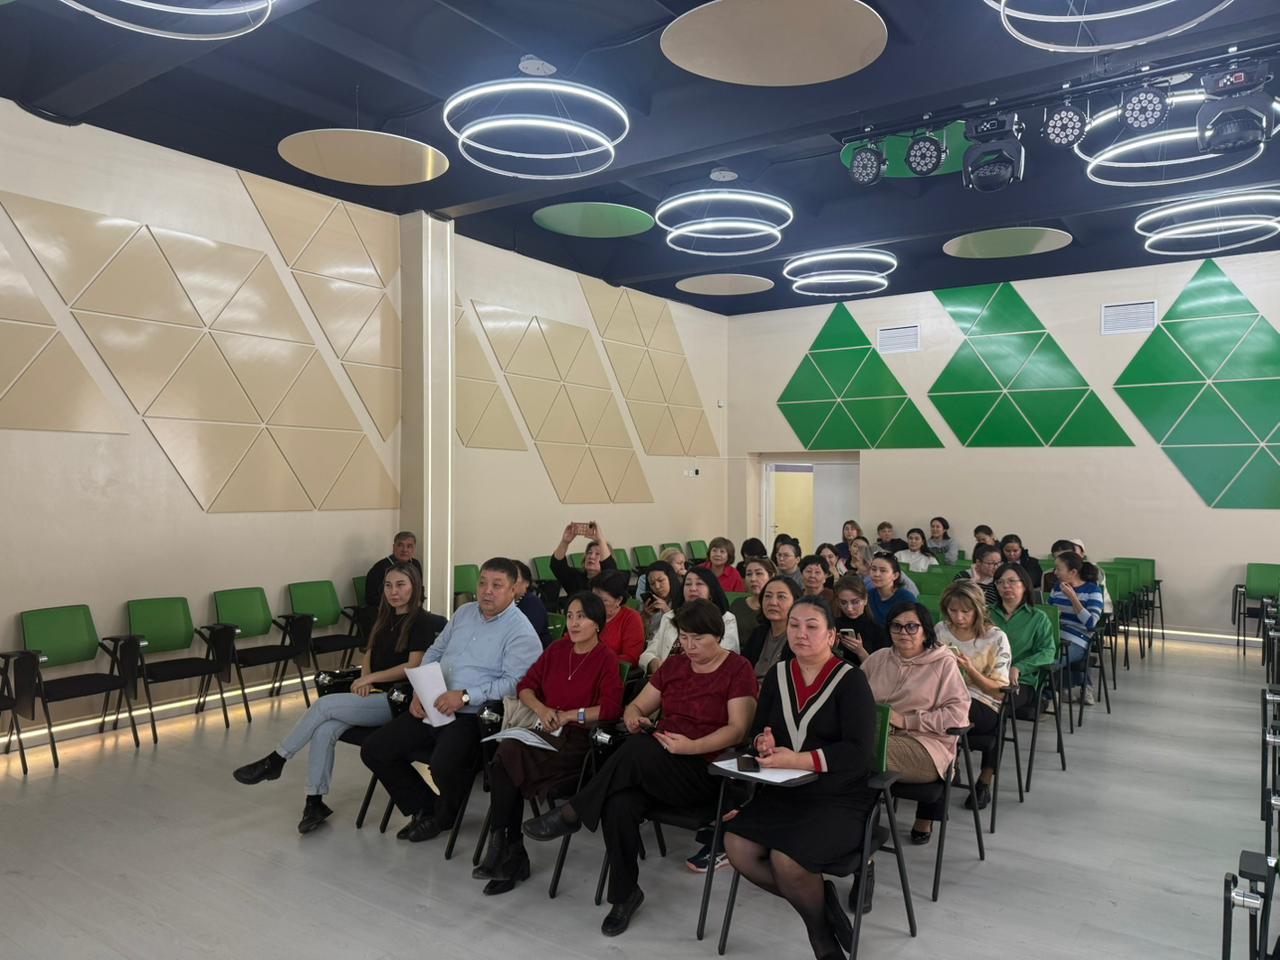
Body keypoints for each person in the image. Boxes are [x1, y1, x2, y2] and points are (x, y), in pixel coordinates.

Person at [521, 600, 758, 937]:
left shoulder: (737, 669)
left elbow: (737, 730)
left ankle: (573, 812)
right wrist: (634, 717)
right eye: (684, 637)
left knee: (637, 749)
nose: (689, 646)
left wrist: (690, 746)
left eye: (698, 639)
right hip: (658, 765)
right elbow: (635, 705)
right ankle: (625, 896)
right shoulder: (675, 666)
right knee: (619, 803)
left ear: (717, 636)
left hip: (705, 772)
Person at [724, 596, 878, 960]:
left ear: (831, 636)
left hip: (839, 796)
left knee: (787, 860)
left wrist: (799, 759)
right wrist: (762, 742)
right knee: (736, 846)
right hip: (785, 791)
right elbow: (760, 729)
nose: (801, 633)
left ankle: (821, 940)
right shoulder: (779, 675)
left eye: (812, 626)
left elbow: (859, 752)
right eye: (794, 625)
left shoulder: (850, 679)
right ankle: (823, 904)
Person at [232, 563, 437, 834]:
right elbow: (369, 654)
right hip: (374, 696)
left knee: (324, 705)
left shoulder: (422, 621)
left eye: (401, 585)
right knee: (325, 729)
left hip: (398, 700)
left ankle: (276, 760)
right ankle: (314, 802)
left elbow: (413, 666)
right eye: (388, 586)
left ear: (415, 587)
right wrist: (365, 678)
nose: (393, 592)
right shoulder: (383, 618)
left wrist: (371, 680)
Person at [360, 558, 542, 843]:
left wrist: (466, 696)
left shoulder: (521, 631)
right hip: (434, 702)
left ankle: (444, 816)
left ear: (513, 590)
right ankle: (426, 808)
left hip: (475, 715)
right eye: (482, 583)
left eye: (497, 585)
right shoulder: (464, 612)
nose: (487, 591)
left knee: (443, 765)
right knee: (374, 749)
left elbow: (514, 684)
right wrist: (421, 690)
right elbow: (435, 651)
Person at [472, 592, 623, 896]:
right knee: (506, 760)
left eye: (581, 617)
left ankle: (506, 848)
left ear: (597, 623)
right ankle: (509, 850)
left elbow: (610, 709)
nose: (573, 623)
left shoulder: (605, 658)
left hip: (577, 743)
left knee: (506, 758)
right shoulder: (557, 649)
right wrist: (542, 709)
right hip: (543, 731)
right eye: (569, 616)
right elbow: (526, 686)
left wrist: (570, 715)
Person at [862, 602, 970, 845]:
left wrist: (906, 720)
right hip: (879, 736)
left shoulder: (943, 663)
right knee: (851, 749)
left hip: (925, 745)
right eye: (896, 626)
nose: (903, 632)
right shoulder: (878, 659)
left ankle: (863, 832)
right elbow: (854, 697)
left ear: (925, 630)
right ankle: (859, 827)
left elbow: (958, 715)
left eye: (912, 626)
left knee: (856, 752)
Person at [934, 581, 1010, 810]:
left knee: (953, 710)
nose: (958, 617)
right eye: (953, 610)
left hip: (982, 700)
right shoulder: (941, 630)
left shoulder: (995, 637)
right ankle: (945, 765)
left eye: (966, 612)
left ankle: (983, 780)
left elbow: (998, 691)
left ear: (978, 610)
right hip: (942, 696)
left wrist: (970, 670)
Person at [639, 566, 740, 674]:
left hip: (703, 678)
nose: (692, 588)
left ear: (711, 591)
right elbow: (648, 653)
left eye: (699, 583)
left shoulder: (726, 619)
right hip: (665, 676)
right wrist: (653, 663)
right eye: (688, 584)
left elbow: (724, 657)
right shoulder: (670, 617)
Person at [989, 563, 1056, 718]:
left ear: (1024, 585)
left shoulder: (1037, 617)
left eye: (1012, 581)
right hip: (986, 676)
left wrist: (1019, 667)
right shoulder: (985, 614)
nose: (1006, 586)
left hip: (1020, 681)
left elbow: (1047, 652)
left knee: (993, 708)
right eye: (1000, 582)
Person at [1048, 552, 1104, 705]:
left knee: (1051, 661)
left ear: (1073, 572)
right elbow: (1048, 614)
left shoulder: (1093, 591)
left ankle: (1048, 695)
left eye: (1059, 569)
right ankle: (1052, 692)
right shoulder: (1057, 588)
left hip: (1077, 639)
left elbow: (1091, 623)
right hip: (1054, 635)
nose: (1055, 572)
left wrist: (1073, 598)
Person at [741, 575, 801, 678]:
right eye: (768, 596)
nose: (772, 602)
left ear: (795, 602)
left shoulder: (800, 638)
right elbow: (743, 667)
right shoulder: (759, 633)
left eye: (781, 597)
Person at [590, 569, 646, 668]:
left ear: (618, 600)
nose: (596, 604)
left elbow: (632, 658)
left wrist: (597, 661)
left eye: (603, 600)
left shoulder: (631, 618)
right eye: (593, 598)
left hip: (607, 671)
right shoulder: (587, 614)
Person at [831, 575, 888, 666]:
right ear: (838, 602)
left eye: (855, 602)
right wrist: (831, 649)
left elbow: (878, 669)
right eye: (843, 602)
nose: (849, 608)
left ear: (865, 599)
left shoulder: (877, 630)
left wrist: (860, 651)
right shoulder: (832, 625)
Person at [551, 522, 617, 597]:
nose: (591, 556)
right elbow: (557, 565)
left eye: (597, 554)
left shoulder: (610, 581)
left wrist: (601, 540)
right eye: (589, 552)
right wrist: (564, 542)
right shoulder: (576, 578)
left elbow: (610, 570)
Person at [363, 531, 421, 609]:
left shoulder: (415, 564)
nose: (405, 550)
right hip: (387, 610)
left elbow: (419, 590)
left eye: (409, 546)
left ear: (414, 549)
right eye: (400, 545)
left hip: (411, 609)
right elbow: (371, 599)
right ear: (393, 547)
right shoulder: (379, 568)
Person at [730, 557, 776, 642]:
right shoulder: (737, 604)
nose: (753, 579)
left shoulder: (775, 606)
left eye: (759, 573)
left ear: (771, 576)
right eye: (749, 574)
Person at [866, 554, 916, 626]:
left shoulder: (906, 598)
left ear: (895, 575)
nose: (876, 574)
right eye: (873, 569)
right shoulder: (869, 595)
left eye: (883, 571)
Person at [513, 560, 550, 647]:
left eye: (514, 577)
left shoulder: (533, 603)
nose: (509, 582)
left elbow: (524, 637)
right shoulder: (503, 603)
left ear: (526, 583)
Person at [640, 559, 680, 639]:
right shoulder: (648, 603)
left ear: (670, 578)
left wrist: (668, 612)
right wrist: (644, 618)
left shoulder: (683, 599)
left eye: (661, 580)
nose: (657, 586)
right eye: (652, 583)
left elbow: (686, 631)